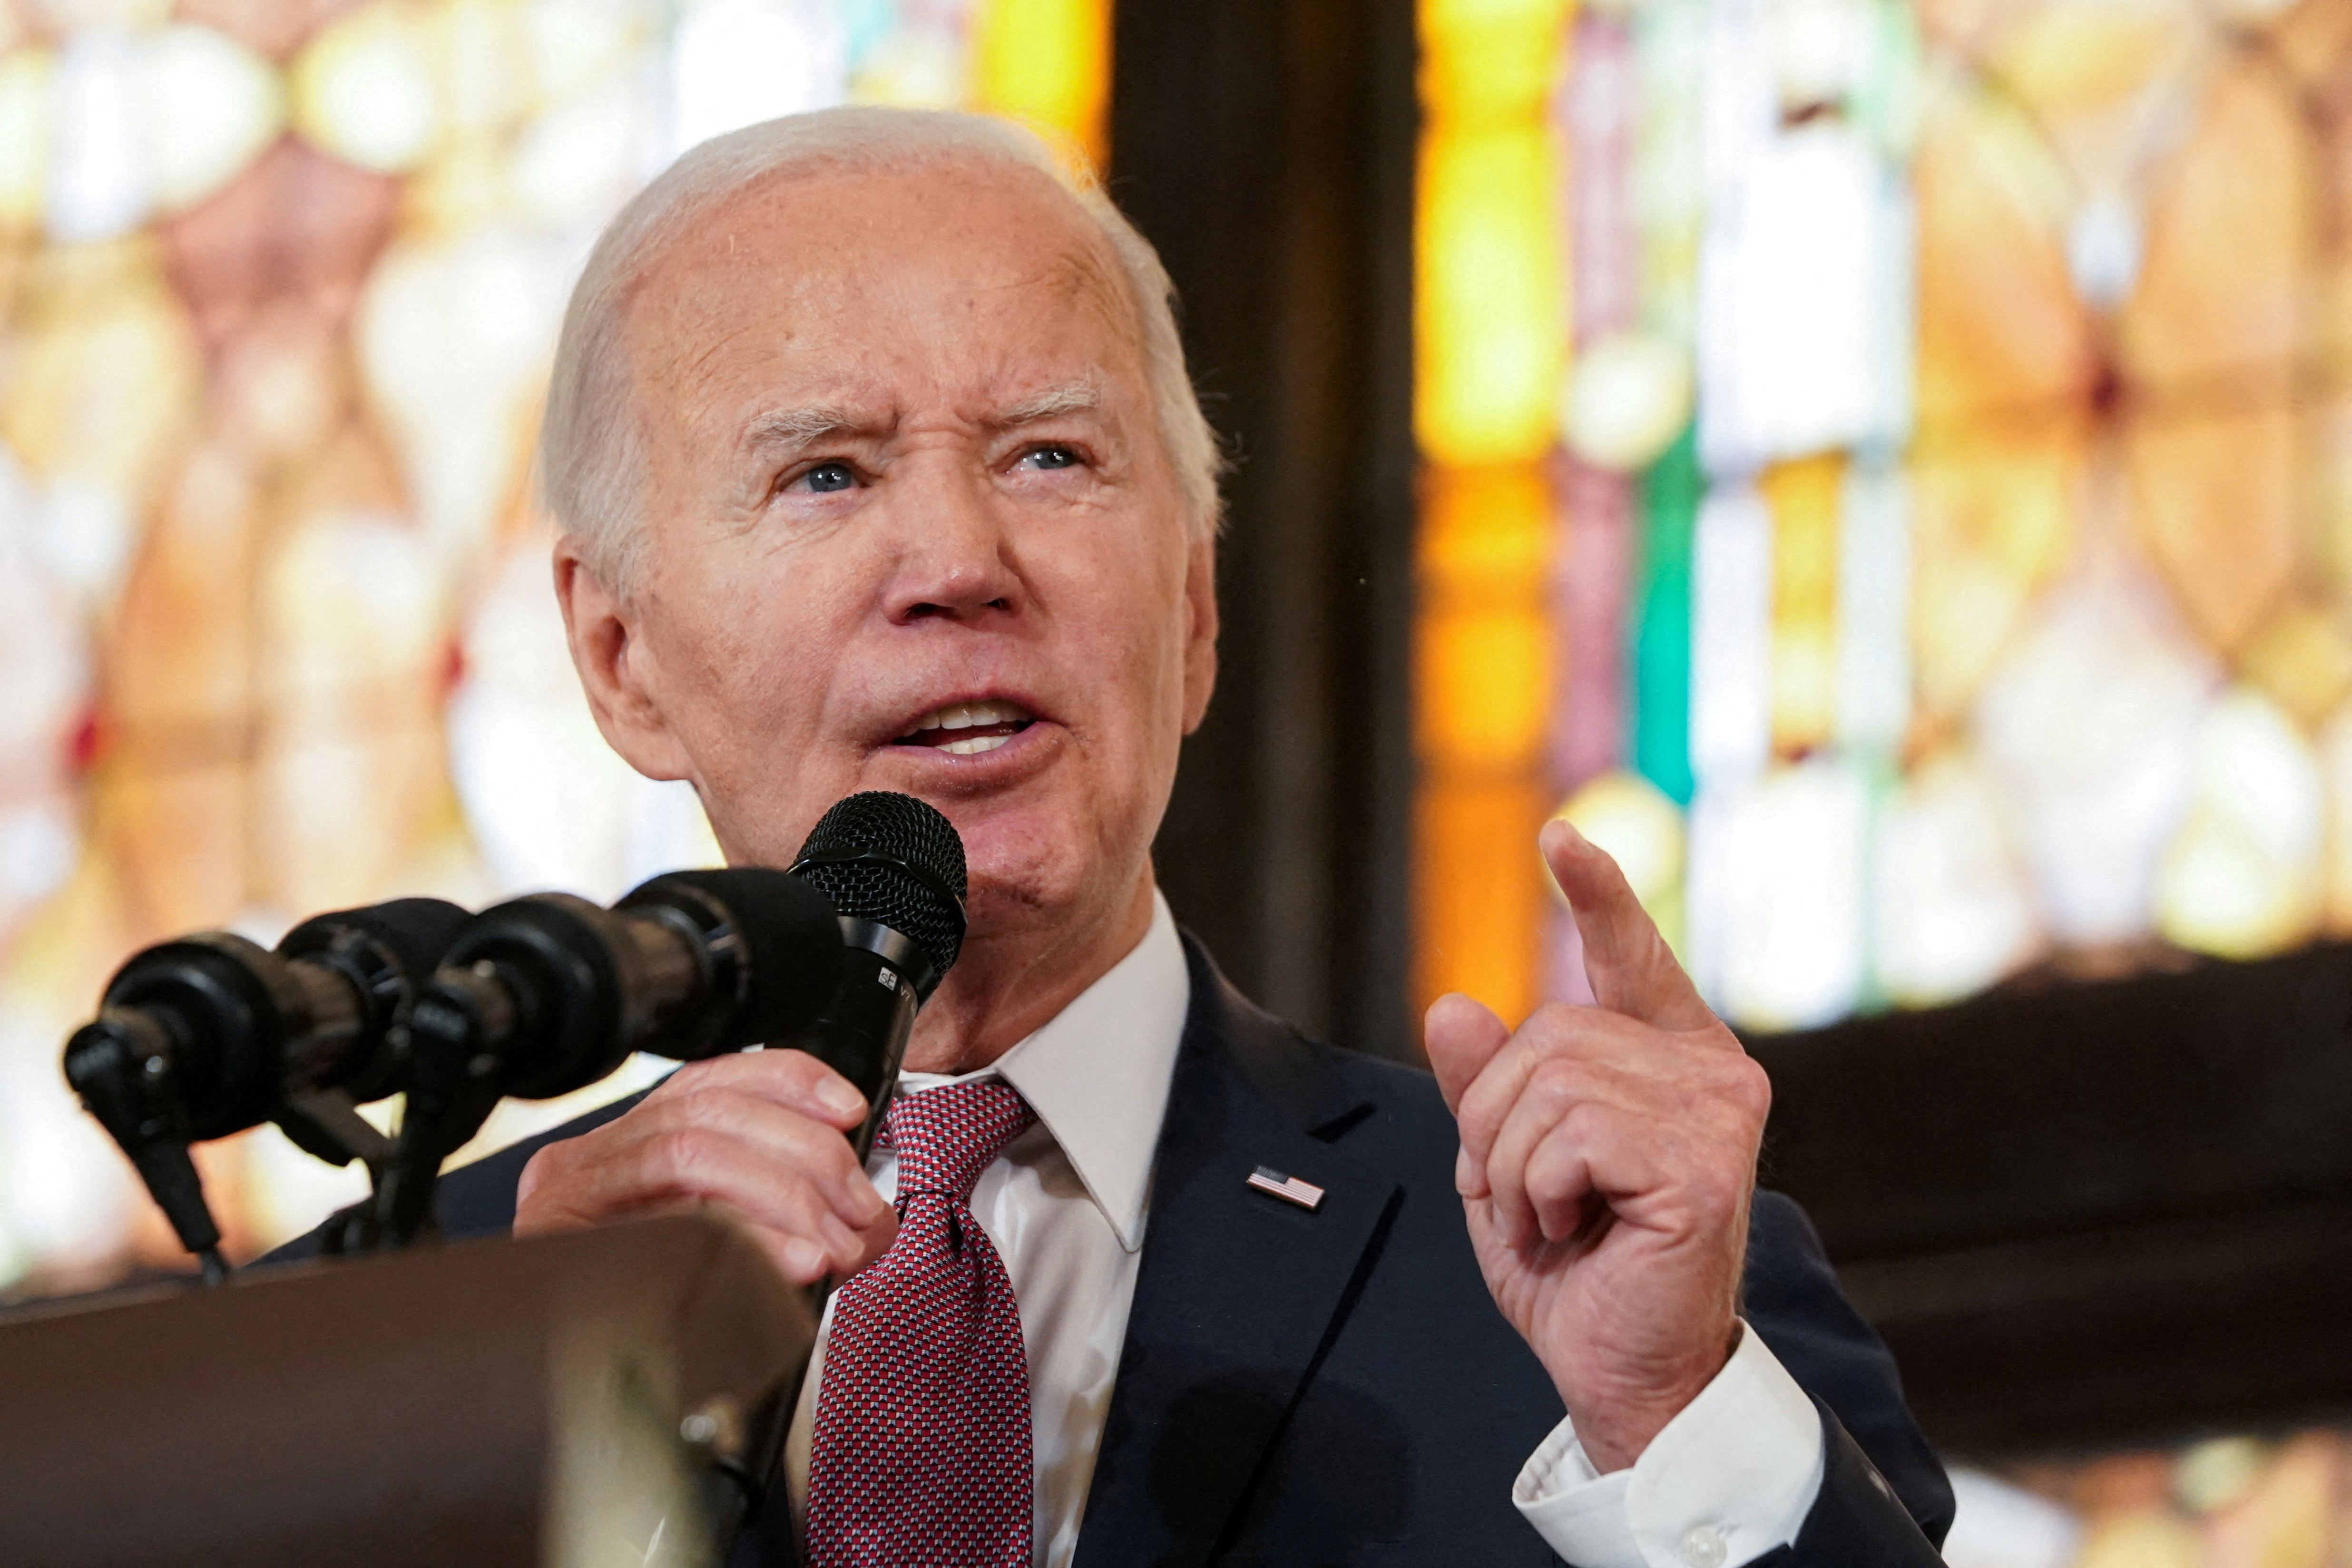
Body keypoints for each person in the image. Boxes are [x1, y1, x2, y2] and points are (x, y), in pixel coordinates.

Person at [330, 107, 1954, 1566]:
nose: (958, 560)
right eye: (828, 474)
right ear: (621, 659)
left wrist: (1667, 1420)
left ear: (1191, 612)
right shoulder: (418, 1318)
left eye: (1051, 456)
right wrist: (468, 1436)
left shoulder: (1585, 1286)